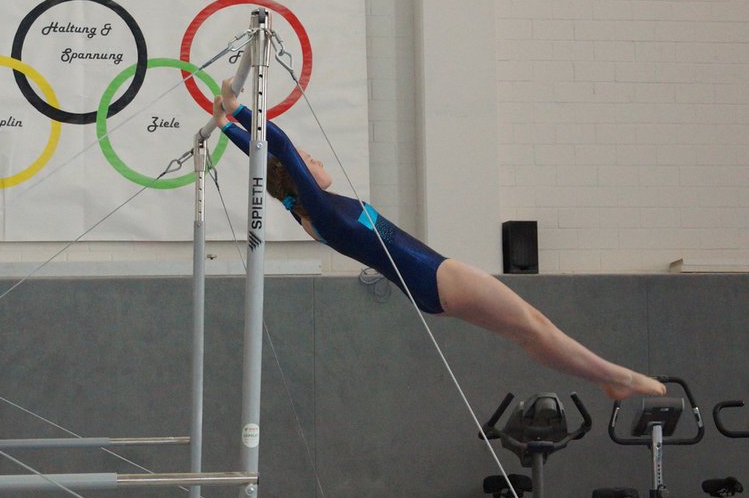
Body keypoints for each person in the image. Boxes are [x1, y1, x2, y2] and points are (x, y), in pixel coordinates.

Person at [213, 82, 665, 400]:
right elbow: (280, 147)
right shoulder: (323, 212)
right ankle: (618, 377)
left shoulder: (308, 211)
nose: (317, 159)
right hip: (434, 274)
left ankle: (608, 379)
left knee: (528, 333)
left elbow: (269, 158)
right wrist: (239, 109)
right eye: (310, 160)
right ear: (299, 175)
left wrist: (225, 126)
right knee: (533, 324)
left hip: (429, 285)